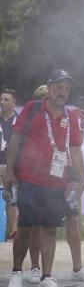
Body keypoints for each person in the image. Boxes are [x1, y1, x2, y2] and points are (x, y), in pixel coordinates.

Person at [4, 69, 84, 287]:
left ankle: (47, 278)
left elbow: (76, 149)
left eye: (67, 89)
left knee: (50, 229)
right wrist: (9, 170)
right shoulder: (32, 109)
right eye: (59, 87)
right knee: (25, 227)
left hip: (56, 182)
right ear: (49, 88)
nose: (63, 92)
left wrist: (82, 177)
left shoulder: (70, 117)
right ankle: (16, 274)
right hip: (29, 178)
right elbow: (15, 139)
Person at [23, 85, 84, 285]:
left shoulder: (67, 117)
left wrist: (81, 124)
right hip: (41, 176)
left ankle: (78, 268)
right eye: (41, 98)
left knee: (73, 220)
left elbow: (75, 146)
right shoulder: (35, 117)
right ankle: (34, 268)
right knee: (38, 224)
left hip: (66, 173)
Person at [1, 88, 19, 240]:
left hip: (12, 166)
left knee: (12, 200)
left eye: (6, 100)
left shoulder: (19, 120)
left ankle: (13, 233)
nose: (2, 102)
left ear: (14, 103)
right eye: (1, 99)